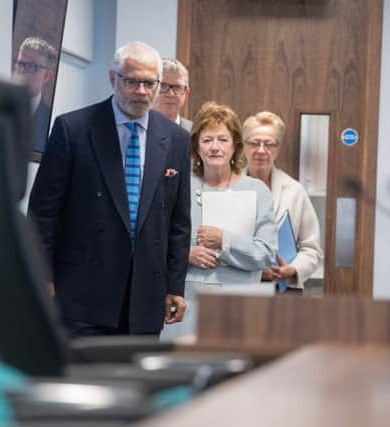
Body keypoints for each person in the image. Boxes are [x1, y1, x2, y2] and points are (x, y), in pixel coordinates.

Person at [28, 41, 191, 337]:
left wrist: (175, 286)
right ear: (113, 78)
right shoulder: (73, 129)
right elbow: (43, 213)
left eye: (149, 83)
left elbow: (179, 222)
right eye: (131, 82)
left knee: (139, 380)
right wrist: (43, 275)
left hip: (145, 295)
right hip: (83, 292)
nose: (141, 91)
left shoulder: (176, 139)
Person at [161, 102, 276, 341]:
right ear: (196, 147)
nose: (215, 147)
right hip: (185, 303)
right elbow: (154, 241)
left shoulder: (257, 191)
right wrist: (185, 252)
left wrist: (225, 240)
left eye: (222, 140)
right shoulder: (178, 185)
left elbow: (266, 254)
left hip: (240, 304)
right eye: (207, 140)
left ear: (235, 145)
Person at [243, 111, 323, 292]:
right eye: (254, 143)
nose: (261, 150)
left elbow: (312, 249)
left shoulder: (294, 191)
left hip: (285, 291)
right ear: (244, 146)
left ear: (277, 149)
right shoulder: (229, 187)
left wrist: (292, 269)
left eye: (269, 144)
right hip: (240, 288)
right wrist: (255, 269)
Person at [13, 36, 58, 154]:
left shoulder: (52, 122)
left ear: (47, 76)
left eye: (30, 67)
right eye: (19, 64)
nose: (21, 71)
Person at [152, 58, 192, 131]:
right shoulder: (135, 130)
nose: (170, 94)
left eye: (177, 87)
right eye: (163, 86)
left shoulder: (197, 133)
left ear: (186, 93)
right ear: (151, 89)